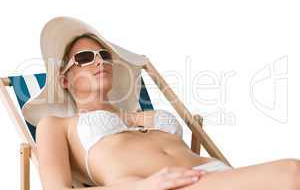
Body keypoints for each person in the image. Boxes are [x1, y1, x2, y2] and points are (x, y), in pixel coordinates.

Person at [23, 17, 300, 190]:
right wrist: (144, 186)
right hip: (164, 186)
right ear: (64, 80)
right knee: (292, 174)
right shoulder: (56, 125)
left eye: (104, 55)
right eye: (85, 57)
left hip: (214, 175)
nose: (99, 61)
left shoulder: (140, 114)